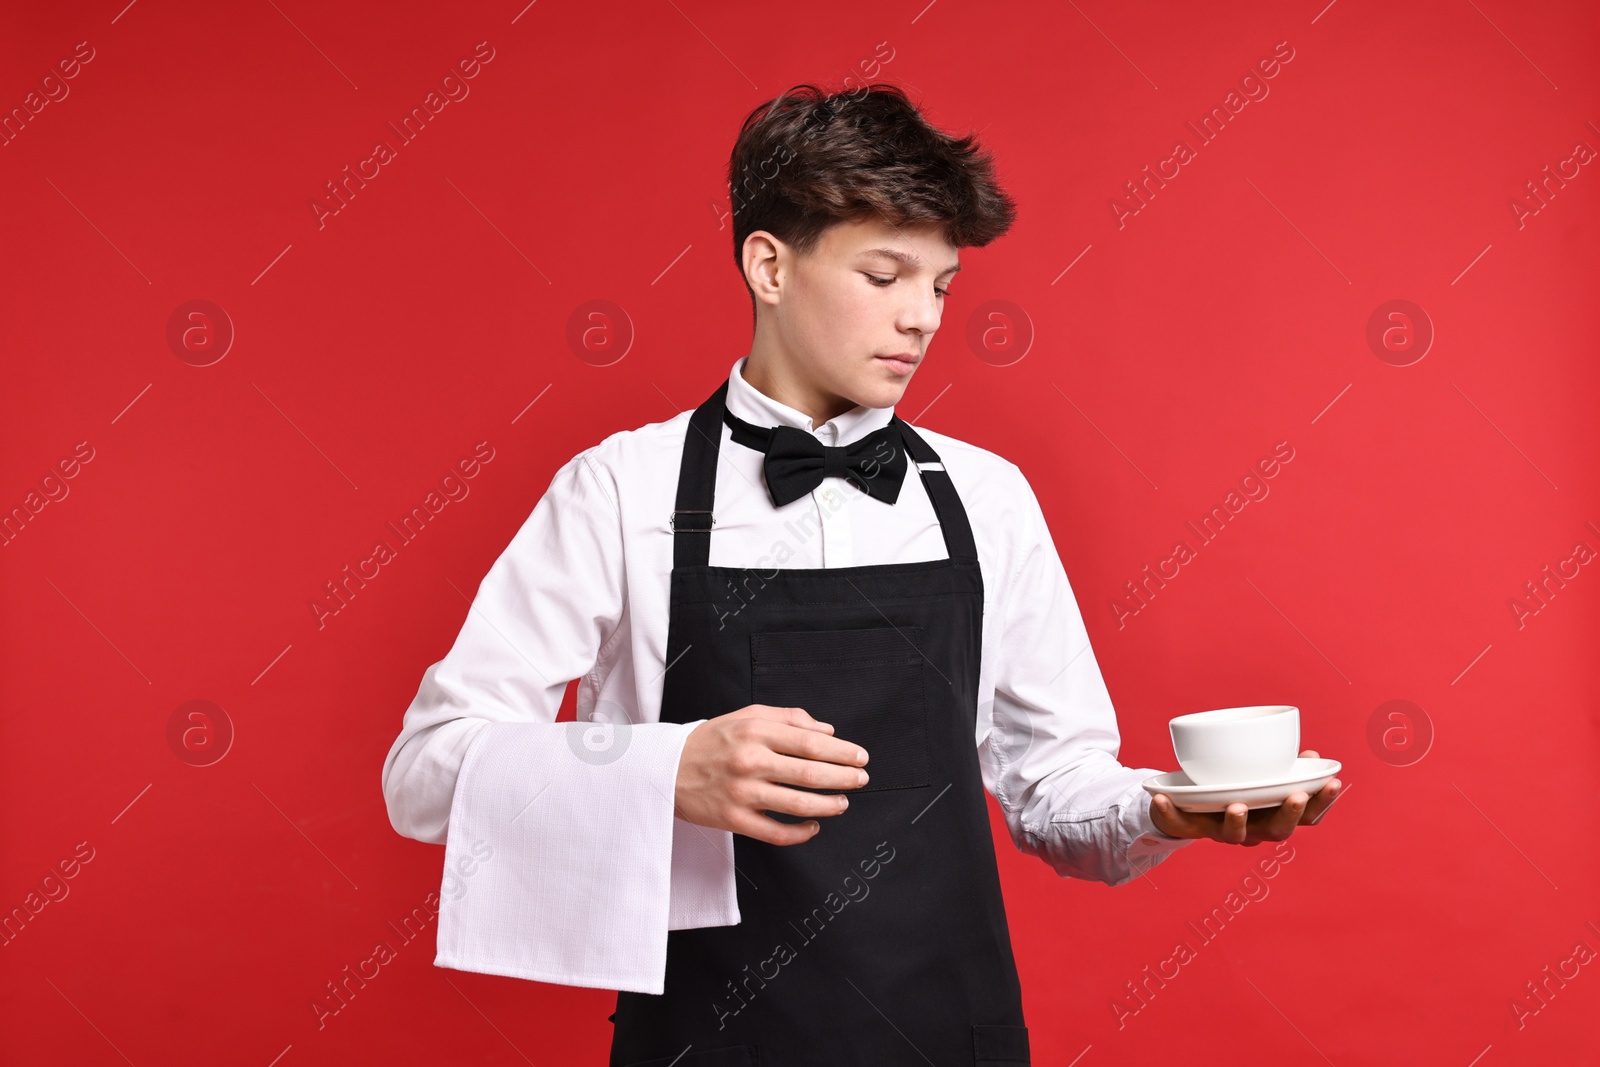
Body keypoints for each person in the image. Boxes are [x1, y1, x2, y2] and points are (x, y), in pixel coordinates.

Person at [381, 82, 1342, 1066]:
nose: (921, 318)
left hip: (949, 1035)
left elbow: (1054, 785)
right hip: (708, 1040)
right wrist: (666, 768)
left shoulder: (986, 495)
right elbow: (423, 772)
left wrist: (1161, 808)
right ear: (768, 264)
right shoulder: (619, 489)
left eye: (940, 284)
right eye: (884, 274)